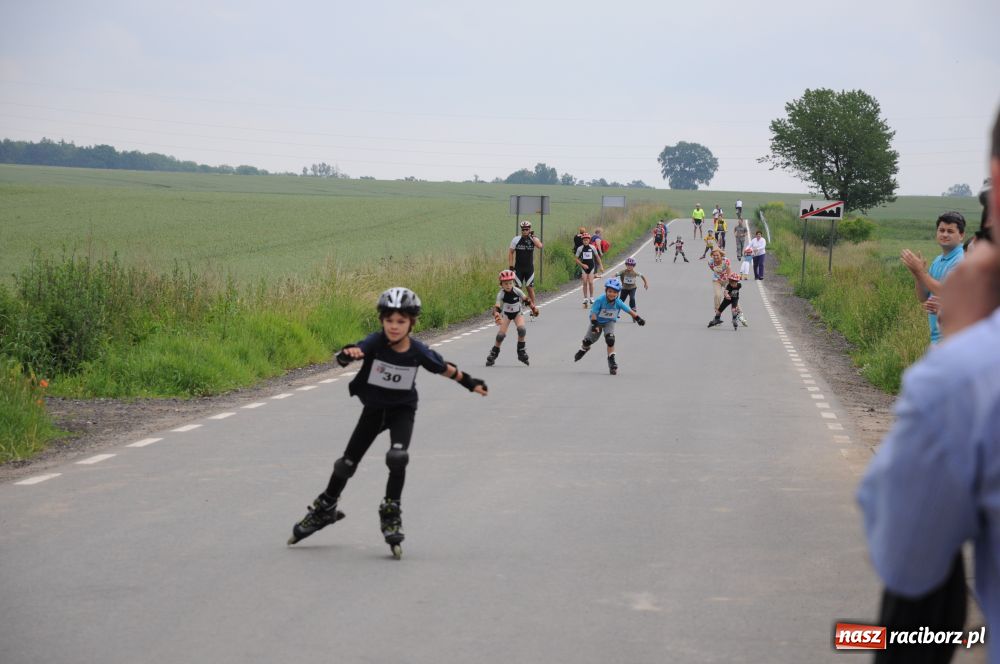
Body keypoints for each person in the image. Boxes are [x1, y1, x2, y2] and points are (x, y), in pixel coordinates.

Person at [858, 106, 1000, 664]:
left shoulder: (968, 378)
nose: (948, 234)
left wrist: (964, 338)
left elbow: (907, 560)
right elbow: (928, 304)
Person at [288, 287, 488, 558]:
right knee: (346, 464)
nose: (394, 327)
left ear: (411, 323)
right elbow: (350, 354)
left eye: (401, 321)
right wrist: (349, 354)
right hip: (373, 410)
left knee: (397, 456)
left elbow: (444, 368)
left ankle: (391, 512)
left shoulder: (417, 351)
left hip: (402, 411)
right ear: (382, 320)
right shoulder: (375, 342)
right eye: (389, 321)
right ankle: (325, 508)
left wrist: (470, 383)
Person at [900, 211, 966, 345]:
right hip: (937, 337)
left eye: (950, 231)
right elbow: (923, 297)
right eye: (941, 230)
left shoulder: (962, 259)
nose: (945, 234)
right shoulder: (938, 260)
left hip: (954, 337)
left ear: (961, 235)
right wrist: (917, 275)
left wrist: (921, 273)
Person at [572, 277, 646, 375]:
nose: (612, 294)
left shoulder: (618, 302)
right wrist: (594, 324)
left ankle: (612, 361)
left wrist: (638, 318)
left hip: (609, 322)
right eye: (610, 291)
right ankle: (584, 348)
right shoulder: (600, 300)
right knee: (587, 341)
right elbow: (593, 313)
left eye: (615, 292)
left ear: (618, 293)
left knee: (610, 340)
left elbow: (628, 310)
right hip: (597, 321)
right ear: (606, 291)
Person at [486, 270, 538, 367]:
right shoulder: (501, 294)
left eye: (510, 283)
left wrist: (533, 308)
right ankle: (494, 353)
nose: (508, 285)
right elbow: (497, 306)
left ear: (513, 282)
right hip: (506, 314)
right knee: (500, 336)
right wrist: (496, 314)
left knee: (521, 330)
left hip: (517, 313)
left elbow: (526, 300)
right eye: (505, 284)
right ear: (501, 284)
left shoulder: (517, 290)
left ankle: (521, 352)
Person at [508, 219, 544, 308]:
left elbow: (540, 246)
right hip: (518, 268)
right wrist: (511, 266)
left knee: (529, 288)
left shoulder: (533, 239)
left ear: (530, 229)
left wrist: (532, 237)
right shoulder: (516, 239)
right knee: (518, 288)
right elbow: (511, 252)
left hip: (529, 269)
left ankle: (533, 307)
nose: (525, 231)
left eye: (526, 229)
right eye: (523, 229)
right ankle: (517, 308)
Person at [575, 232, 604, 307]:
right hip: (584, 268)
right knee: (584, 282)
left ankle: (591, 297)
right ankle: (585, 298)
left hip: (591, 267)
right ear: (582, 241)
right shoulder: (580, 248)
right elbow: (576, 259)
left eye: (587, 240)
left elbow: (597, 257)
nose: (585, 241)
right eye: (584, 240)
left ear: (589, 240)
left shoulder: (593, 247)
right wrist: (582, 265)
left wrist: (601, 266)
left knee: (591, 282)